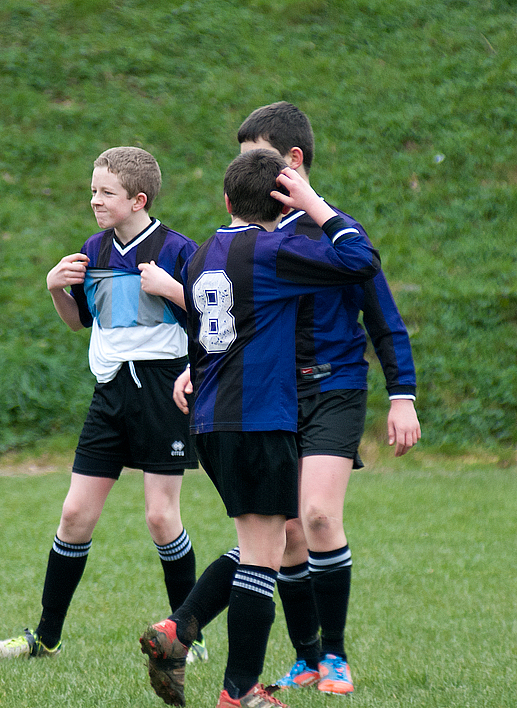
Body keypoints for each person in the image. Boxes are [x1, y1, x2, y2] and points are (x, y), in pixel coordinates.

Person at [138, 102, 421, 705]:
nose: (250, 170)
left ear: (291, 163)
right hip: (266, 405)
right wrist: (194, 366)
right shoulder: (268, 245)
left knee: (305, 521)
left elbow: (381, 313)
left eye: (257, 159)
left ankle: (294, 651)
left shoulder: (307, 234)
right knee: (270, 542)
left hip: (324, 389)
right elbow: (233, 318)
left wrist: (402, 394)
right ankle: (264, 675)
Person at [0, 146, 205, 661]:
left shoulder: (179, 250)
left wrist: (172, 289)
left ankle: (187, 636)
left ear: (138, 200)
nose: (95, 201)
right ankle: (46, 638)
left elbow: (210, 318)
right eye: (93, 191)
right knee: (75, 513)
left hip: (165, 391)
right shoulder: (93, 250)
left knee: (160, 517)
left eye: (106, 193)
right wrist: (55, 290)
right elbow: (79, 321)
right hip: (110, 392)